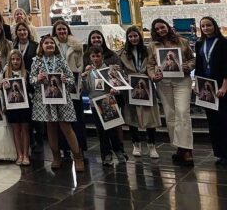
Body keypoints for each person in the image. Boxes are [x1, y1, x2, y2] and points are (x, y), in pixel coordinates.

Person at [29, 35, 84, 171]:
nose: (49, 45)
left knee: (66, 127)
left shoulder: (60, 60)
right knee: (51, 127)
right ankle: (56, 157)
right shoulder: (36, 61)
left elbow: (71, 78)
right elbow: (31, 79)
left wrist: (66, 79)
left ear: (55, 46)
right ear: (41, 46)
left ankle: (77, 157)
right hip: (44, 99)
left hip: (61, 98)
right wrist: (38, 78)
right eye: (46, 43)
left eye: (51, 43)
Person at [147, 18, 196, 166]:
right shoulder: (152, 46)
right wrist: (152, 75)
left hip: (182, 81)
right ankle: (179, 147)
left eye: (162, 27)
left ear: (167, 27)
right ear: (154, 31)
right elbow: (150, 64)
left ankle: (187, 149)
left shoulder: (182, 41)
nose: (161, 30)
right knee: (170, 115)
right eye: (157, 29)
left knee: (182, 112)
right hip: (164, 83)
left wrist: (189, 66)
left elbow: (192, 59)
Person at [118, 25, 161, 158]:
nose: (133, 38)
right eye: (130, 36)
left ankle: (152, 145)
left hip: (146, 84)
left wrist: (153, 74)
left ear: (140, 36)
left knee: (150, 116)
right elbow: (120, 70)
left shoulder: (148, 50)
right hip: (131, 87)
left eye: (135, 36)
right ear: (127, 38)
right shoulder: (122, 53)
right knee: (132, 116)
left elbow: (154, 64)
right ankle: (136, 144)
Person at [83, 46, 127, 166]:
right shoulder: (89, 72)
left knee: (112, 129)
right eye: (93, 56)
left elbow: (118, 85)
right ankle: (106, 154)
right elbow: (86, 89)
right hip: (95, 104)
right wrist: (83, 78)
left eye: (98, 56)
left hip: (108, 102)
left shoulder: (108, 70)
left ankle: (118, 152)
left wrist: (114, 90)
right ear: (90, 58)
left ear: (102, 56)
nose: (96, 58)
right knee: (101, 131)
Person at [52, 19, 87, 154]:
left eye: (63, 29)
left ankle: (79, 147)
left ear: (68, 30)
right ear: (55, 32)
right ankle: (65, 148)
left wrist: (76, 79)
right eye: (59, 29)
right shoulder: (51, 45)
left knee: (77, 117)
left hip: (73, 84)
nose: (61, 31)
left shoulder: (76, 46)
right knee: (61, 118)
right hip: (58, 84)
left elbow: (80, 65)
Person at [196, 16, 227, 165]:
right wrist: (197, 85)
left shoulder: (223, 43)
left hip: (221, 86)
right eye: (203, 26)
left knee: (224, 120)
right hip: (207, 86)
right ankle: (220, 153)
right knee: (213, 121)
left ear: (214, 25)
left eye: (208, 25)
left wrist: (224, 85)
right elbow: (199, 65)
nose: (206, 28)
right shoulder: (199, 43)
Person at [4, 49, 31, 165]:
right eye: (13, 59)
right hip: (12, 106)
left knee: (25, 129)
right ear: (10, 61)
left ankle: (26, 154)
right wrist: (3, 86)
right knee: (15, 129)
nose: (15, 62)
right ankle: (19, 154)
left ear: (21, 60)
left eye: (18, 59)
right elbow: (4, 91)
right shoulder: (6, 74)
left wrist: (26, 85)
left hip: (25, 105)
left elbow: (32, 89)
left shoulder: (26, 73)